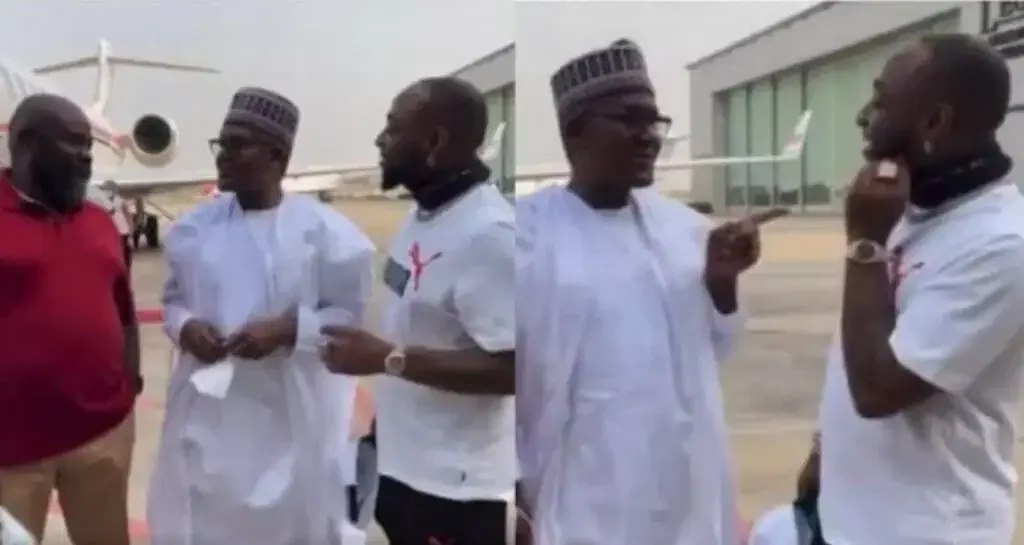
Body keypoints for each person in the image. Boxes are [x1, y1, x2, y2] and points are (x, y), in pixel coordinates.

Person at [515, 39, 785, 545]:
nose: (649, 138)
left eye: (654, 122)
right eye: (628, 120)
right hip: (585, 498)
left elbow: (717, 345)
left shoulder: (685, 229)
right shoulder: (526, 236)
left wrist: (721, 280)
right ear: (575, 132)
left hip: (686, 492)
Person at [810, 34, 1024, 545]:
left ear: (934, 123)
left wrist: (864, 244)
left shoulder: (1003, 244)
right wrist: (822, 453)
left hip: (930, 529)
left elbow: (878, 390)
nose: (865, 117)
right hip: (853, 521)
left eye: (881, 101)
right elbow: (860, 340)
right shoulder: (908, 210)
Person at [147, 87, 375, 545]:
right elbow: (174, 299)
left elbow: (348, 320)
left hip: (292, 421)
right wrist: (186, 327)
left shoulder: (329, 235)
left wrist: (290, 329)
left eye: (238, 145)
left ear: (277, 156)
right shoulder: (194, 229)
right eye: (221, 144)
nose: (223, 156)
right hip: (210, 422)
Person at [319, 76, 516, 545]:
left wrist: (387, 359)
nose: (380, 140)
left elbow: (515, 369)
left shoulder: (490, 234)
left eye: (393, 127)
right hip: (402, 466)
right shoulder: (425, 215)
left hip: (457, 493)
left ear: (434, 141)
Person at [0, 93, 141, 545]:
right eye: (73, 144)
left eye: (89, 146)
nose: (86, 157)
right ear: (26, 144)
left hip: (101, 434)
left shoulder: (99, 221)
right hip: (11, 451)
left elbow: (124, 308)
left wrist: (131, 382)